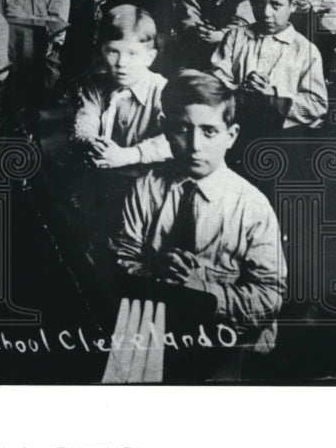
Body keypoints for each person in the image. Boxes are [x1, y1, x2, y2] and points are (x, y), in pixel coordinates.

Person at [113, 70, 287, 353]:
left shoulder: (252, 206)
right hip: (156, 327)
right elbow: (123, 259)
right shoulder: (146, 188)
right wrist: (156, 273)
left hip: (228, 337)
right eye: (182, 129)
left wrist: (204, 293)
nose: (195, 146)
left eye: (209, 131)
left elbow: (269, 297)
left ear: (231, 136)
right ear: (165, 129)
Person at [211, 0, 328, 129]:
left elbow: (317, 105)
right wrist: (241, 91)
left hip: (282, 134)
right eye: (258, 3)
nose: (266, 13)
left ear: (293, 5)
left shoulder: (305, 50)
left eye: (276, 5)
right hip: (238, 124)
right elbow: (216, 81)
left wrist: (275, 97)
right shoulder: (235, 37)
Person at [73, 5, 172, 171]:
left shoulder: (161, 89)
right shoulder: (96, 84)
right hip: (101, 173)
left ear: (150, 57)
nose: (121, 63)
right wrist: (91, 141)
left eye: (132, 53)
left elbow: (172, 139)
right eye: (113, 51)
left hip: (145, 178)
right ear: (101, 52)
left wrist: (131, 155)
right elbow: (85, 120)